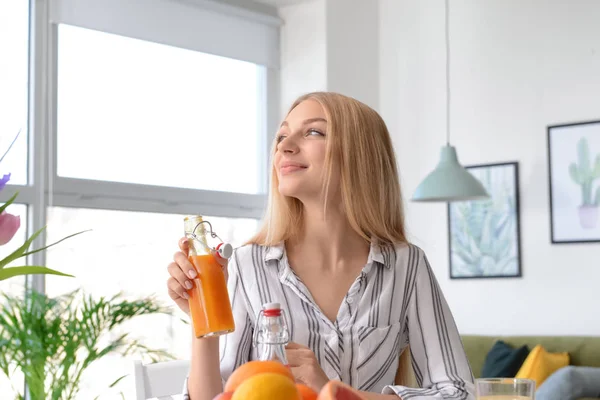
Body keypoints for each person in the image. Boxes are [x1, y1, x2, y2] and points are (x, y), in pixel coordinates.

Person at [167, 92, 475, 400]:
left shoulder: (406, 266)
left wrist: (334, 393)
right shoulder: (248, 265)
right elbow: (214, 396)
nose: (284, 147)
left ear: (360, 155)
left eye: (313, 132)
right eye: (281, 136)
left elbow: (458, 393)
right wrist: (202, 317)